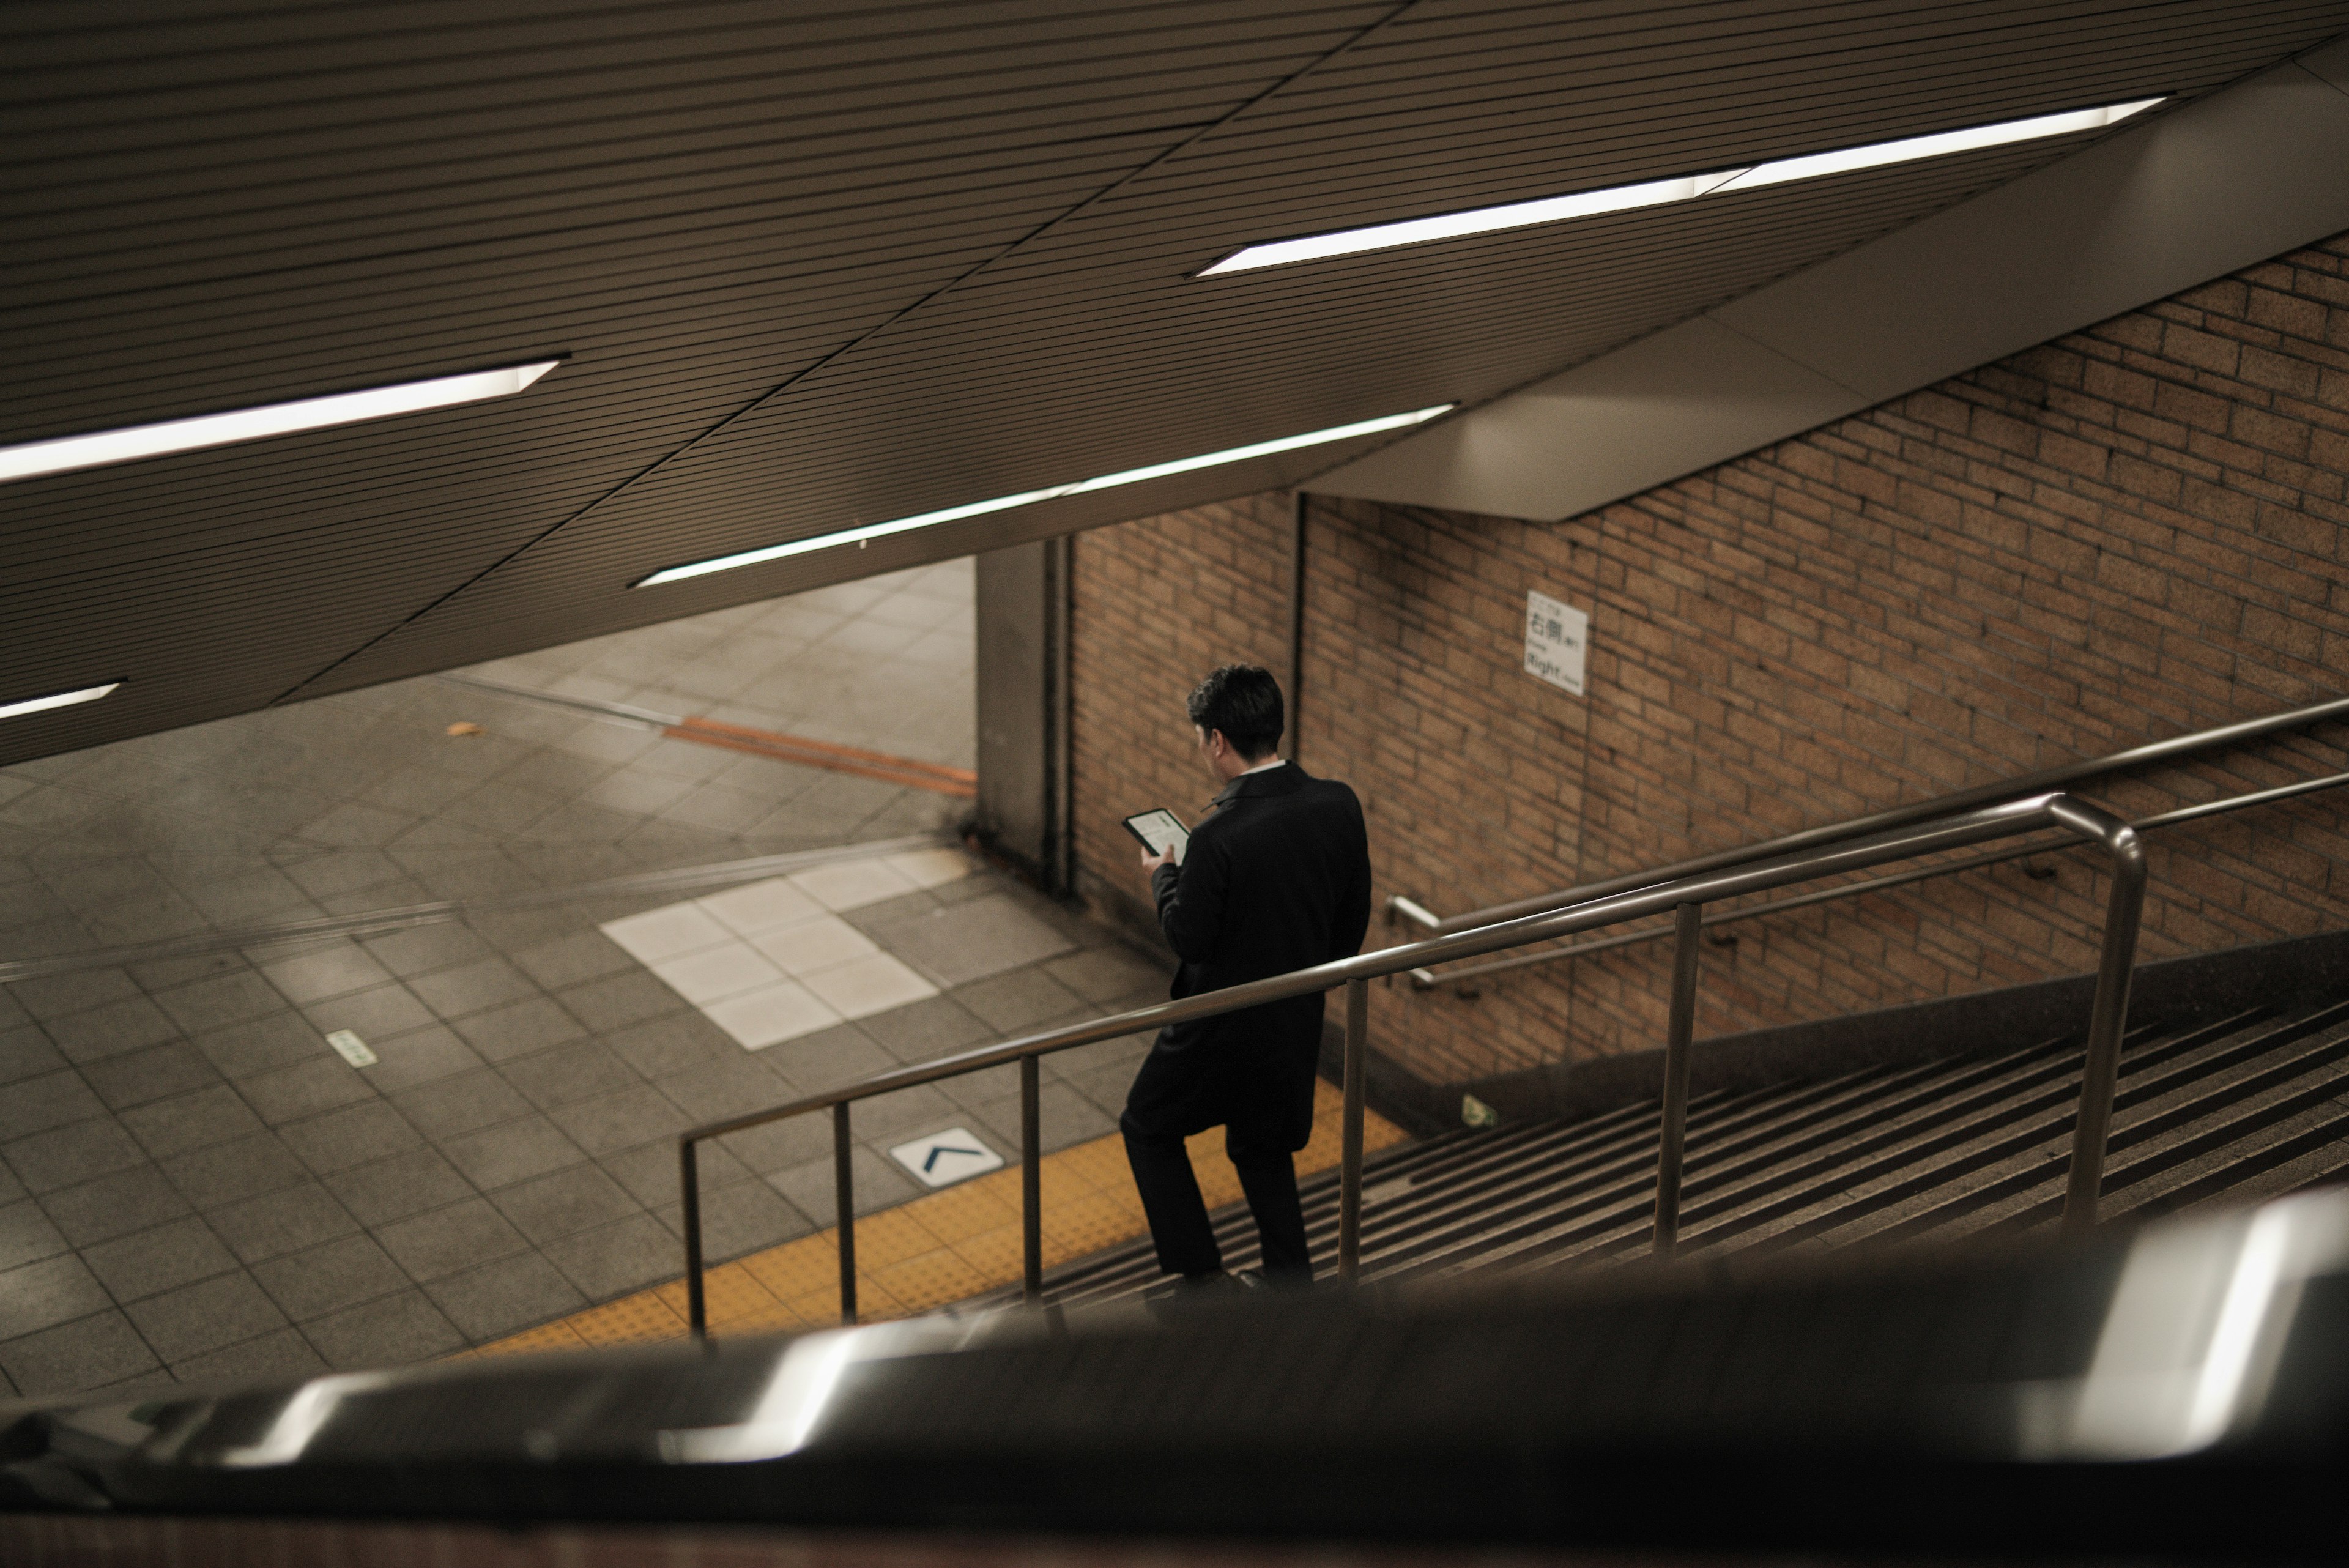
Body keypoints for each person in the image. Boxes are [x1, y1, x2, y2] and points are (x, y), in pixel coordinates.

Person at [1122, 663, 1372, 1290]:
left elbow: (1189, 934)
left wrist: (1163, 873)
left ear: (1216, 740)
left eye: (1200, 736)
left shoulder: (1217, 836)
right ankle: (1292, 1284)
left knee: (1147, 1124)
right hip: (1292, 1019)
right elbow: (1353, 915)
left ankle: (1204, 1279)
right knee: (1261, 1146)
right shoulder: (1338, 802)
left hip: (1216, 1027)